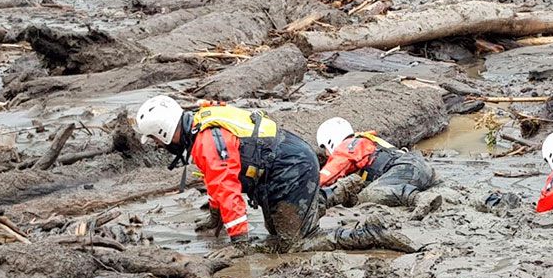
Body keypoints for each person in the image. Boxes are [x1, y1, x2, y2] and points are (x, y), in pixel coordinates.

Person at [131, 96, 415, 253]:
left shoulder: (206, 139)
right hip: (283, 167)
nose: (158, 145)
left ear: (163, 132)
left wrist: (239, 244)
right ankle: (328, 198)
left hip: (291, 170)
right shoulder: (202, 124)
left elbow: (227, 188)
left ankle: (368, 234)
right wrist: (215, 218)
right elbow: (216, 184)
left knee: (295, 244)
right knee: (275, 234)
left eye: (155, 140)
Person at [315, 117, 443, 220]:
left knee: (367, 195)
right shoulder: (364, 141)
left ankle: (418, 198)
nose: (326, 153)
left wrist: (307, 187)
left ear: (331, 140)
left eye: (325, 148)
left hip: (405, 169)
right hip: (421, 168)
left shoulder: (348, 147)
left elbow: (326, 176)